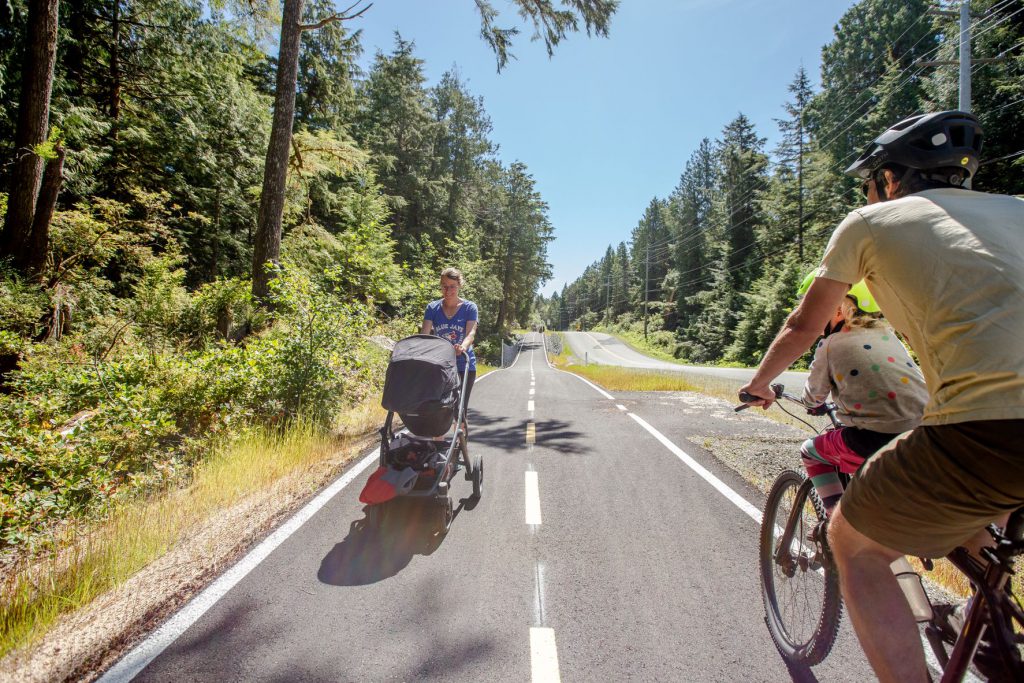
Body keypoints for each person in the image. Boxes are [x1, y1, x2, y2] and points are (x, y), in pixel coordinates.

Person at [739, 110, 1024, 682]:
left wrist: (759, 383)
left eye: (872, 180)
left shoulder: (870, 222)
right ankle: (989, 619)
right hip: (987, 442)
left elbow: (802, 325)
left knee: (851, 540)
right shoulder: (1016, 210)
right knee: (975, 527)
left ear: (890, 179)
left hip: (986, 428)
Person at [794, 274, 927, 517]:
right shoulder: (889, 336)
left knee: (810, 452)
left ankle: (835, 520)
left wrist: (812, 403)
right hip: (926, 431)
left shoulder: (830, 344)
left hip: (876, 439)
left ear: (837, 310)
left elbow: (813, 397)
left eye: (812, 306)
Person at [421, 267, 478, 409]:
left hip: (464, 363)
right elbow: (424, 335)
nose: (448, 291)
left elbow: (471, 333)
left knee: (460, 408)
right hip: (441, 366)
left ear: (459, 285)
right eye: (444, 286)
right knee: (439, 408)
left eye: (452, 286)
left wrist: (462, 347)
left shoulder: (470, 308)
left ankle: (460, 429)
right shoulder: (432, 308)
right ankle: (438, 431)